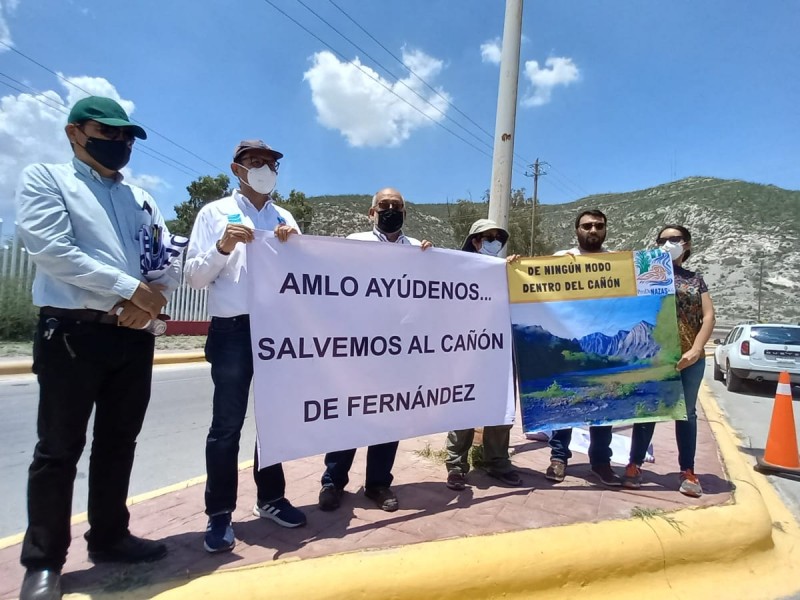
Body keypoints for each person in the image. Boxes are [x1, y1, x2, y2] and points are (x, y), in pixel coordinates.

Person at [15, 96, 177, 600]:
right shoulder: (47, 179)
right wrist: (126, 290)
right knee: (58, 450)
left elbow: (163, 259)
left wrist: (150, 301)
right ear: (74, 133)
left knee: (117, 444)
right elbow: (50, 248)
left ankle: (110, 537)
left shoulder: (142, 200)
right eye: (108, 133)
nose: (120, 143)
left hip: (131, 337)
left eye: (127, 136)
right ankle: (44, 562)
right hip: (71, 334)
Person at [185, 140, 306, 554]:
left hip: (276, 330)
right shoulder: (213, 214)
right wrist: (223, 246)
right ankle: (219, 514)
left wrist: (293, 248)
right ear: (237, 169)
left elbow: (305, 278)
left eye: (272, 163)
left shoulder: (284, 217)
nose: (265, 169)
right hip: (232, 331)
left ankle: (270, 498)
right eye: (256, 162)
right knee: (227, 426)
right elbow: (194, 278)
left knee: (273, 421)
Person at [318, 187, 432, 513]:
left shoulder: (419, 250)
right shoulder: (353, 243)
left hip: (399, 351)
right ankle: (333, 482)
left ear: (405, 214)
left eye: (397, 206)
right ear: (372, 212)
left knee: (388, 415)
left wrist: (433, 262)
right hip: (357, 348)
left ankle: (378, 483)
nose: (391, 210)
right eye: (384, 205)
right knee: (349, 413)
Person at [623, 225, 715, 497]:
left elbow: (708, 317)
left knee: (686, 414)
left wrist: (697, 349)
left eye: (674, 239)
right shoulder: (646, 277)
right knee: (648, 410)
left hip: (689, 358)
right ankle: (634, 465)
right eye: (662, 240)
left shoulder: (695, 279)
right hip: (657, 358)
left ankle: (688, 470)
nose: (668, 244)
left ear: (686, 245)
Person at [544, 210, 621, 487]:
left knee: (605, 405)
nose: (593, 230)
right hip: (570, 345)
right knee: (564, 401)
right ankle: (558, 458)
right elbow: (529, 283)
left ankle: (601, 463)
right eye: (587, 225)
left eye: (598, 226)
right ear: (577, 230)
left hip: (604, 347)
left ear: (605, 230)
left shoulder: (618, 263)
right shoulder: (561, 259)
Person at [445, 219, 522, 490]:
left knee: (501, 408)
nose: (493, 243)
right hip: (465, 350)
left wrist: (519, 271)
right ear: (475, 241)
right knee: (463, 407)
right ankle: (456, 465)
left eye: (497, 239)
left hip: (500, 351)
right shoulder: (455, 268)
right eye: (487, 238)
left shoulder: (506, 270)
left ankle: (497, 462)